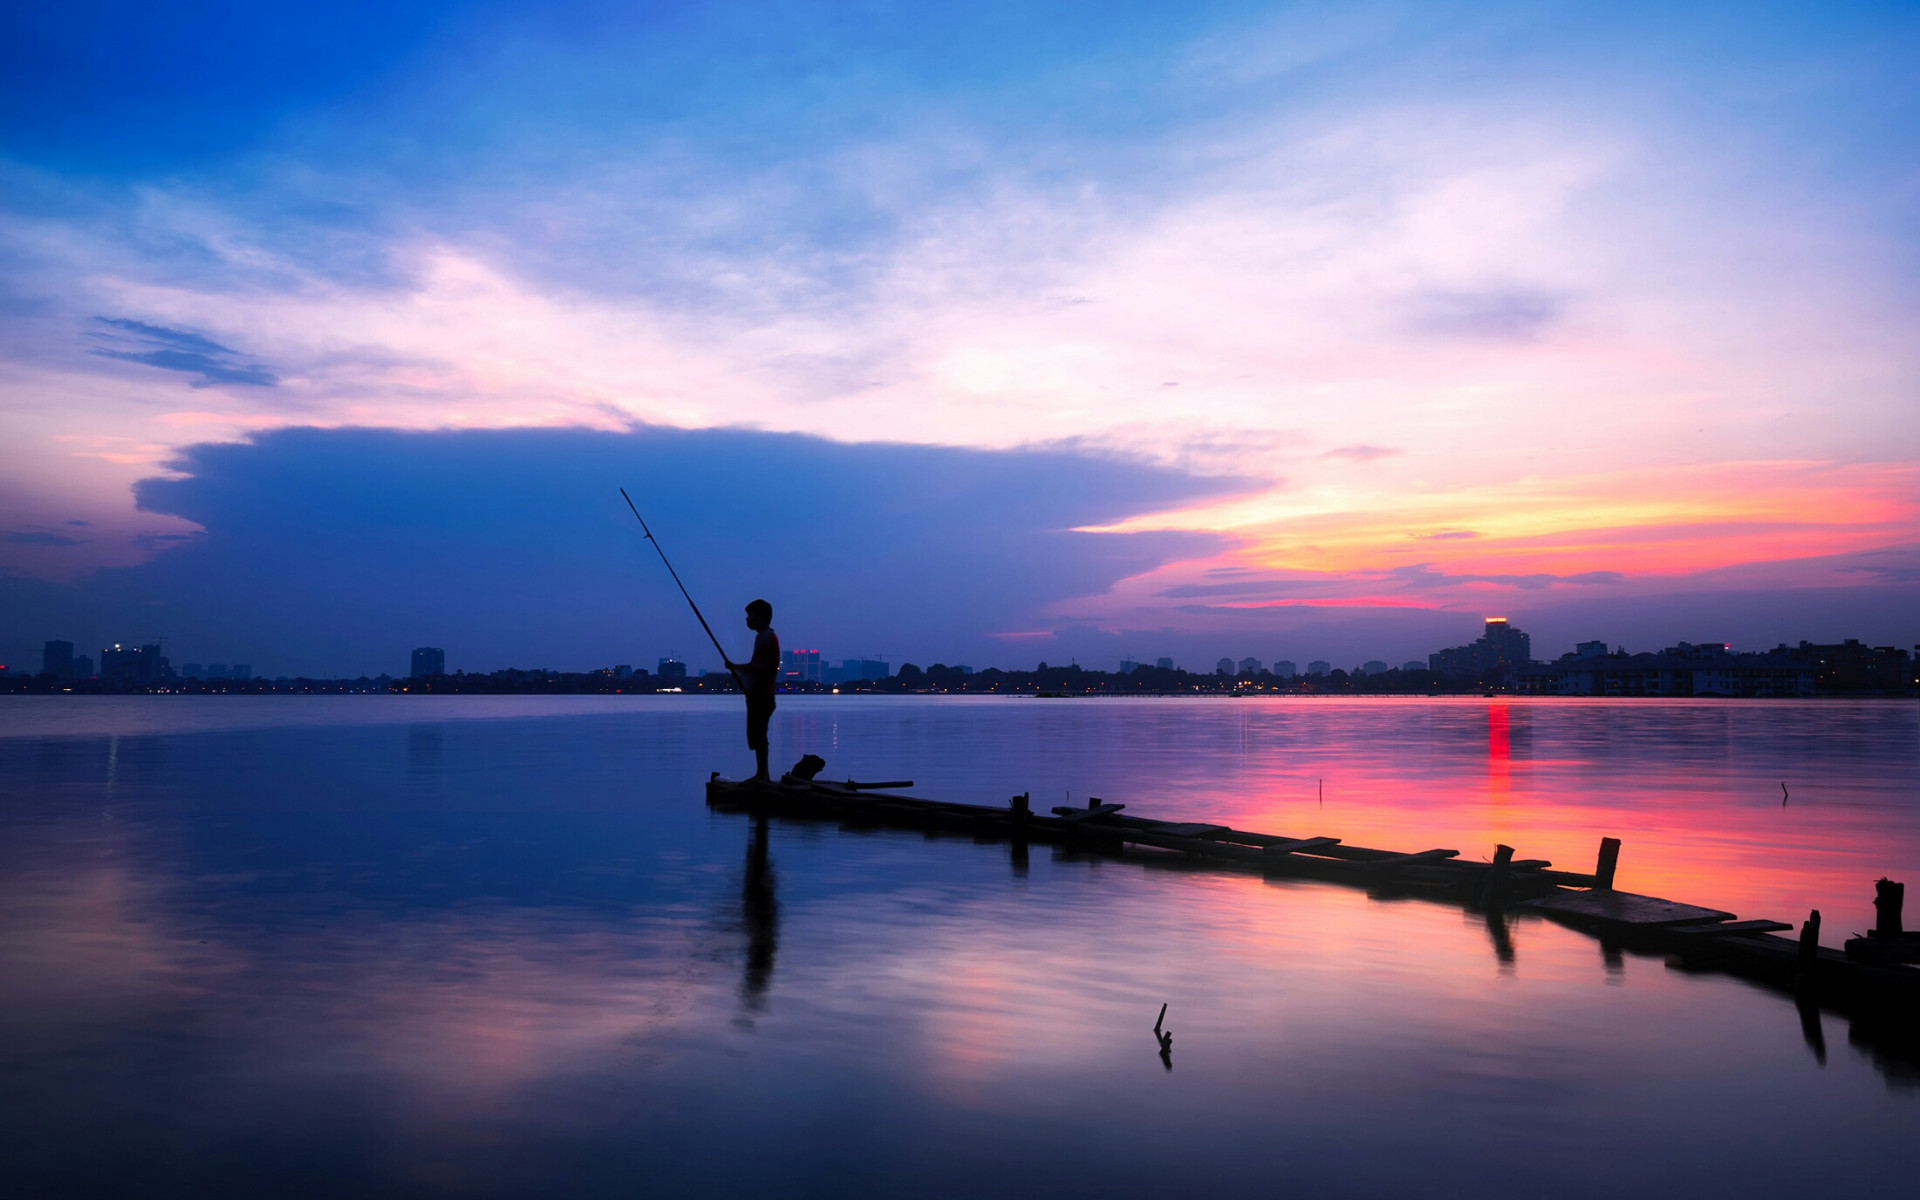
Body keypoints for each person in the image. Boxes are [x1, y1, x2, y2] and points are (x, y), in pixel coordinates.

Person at [725, 598, 780, 782]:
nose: (747, 620)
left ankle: (762, 775)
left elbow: (758, 666)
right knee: (757, 735)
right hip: (760, 694)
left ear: (761, 617)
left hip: (762, 695)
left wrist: (735, 667)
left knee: (759, 735)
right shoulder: (763, 637)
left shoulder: (767, 638)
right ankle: (762, 773)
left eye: (750, 615)